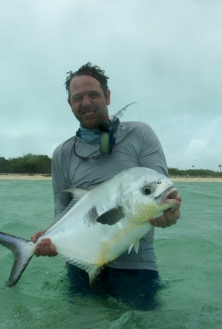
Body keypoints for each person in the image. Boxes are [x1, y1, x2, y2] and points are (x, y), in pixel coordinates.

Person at [31, 63, 181, 310]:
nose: (86, 103)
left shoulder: (141, 135)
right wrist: (47, 236)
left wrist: (169, 214)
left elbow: (161, 192)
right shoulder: (61, 154)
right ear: (70, 104)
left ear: (108, 96)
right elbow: (62, 210)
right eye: (77, 98)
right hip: (80, 267)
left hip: (137, 269)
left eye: (93, 95)